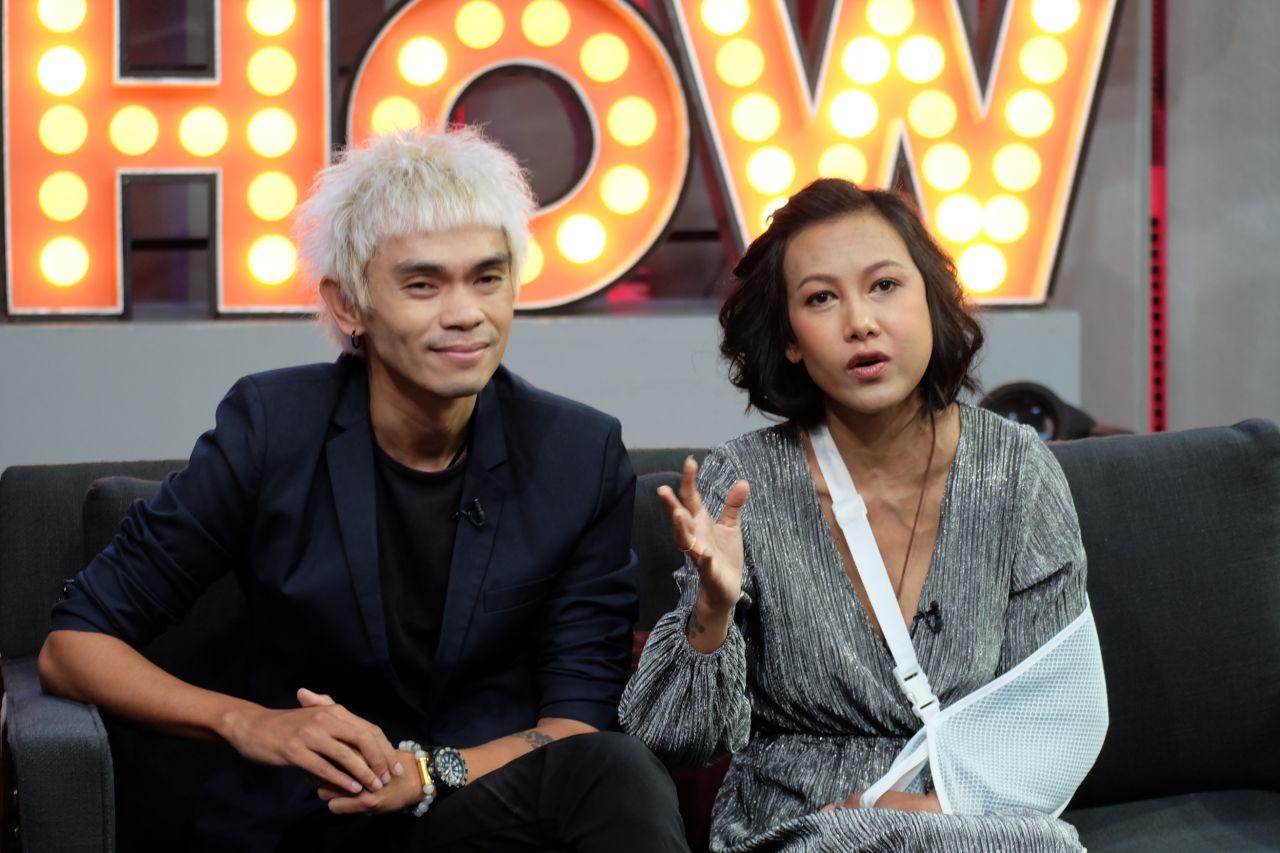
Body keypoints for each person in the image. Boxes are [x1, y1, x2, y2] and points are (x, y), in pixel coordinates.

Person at [38, 127, 689, 853]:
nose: (466, 313)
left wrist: (429, 773)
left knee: (617, 771)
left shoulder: (577, 453)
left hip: (481, 809)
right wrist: (247, 721)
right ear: (349, 305)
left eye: (487, 278)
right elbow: (73, 646)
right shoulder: (272, 429)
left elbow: (578, 721)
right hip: (308, 817)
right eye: (423, 284)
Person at [620, 178, 1108, 851]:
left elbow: (1054, 716)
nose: (860, 322)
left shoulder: (1016, 471)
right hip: (799, 825)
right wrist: (712, 611)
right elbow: (673, 738)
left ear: (931, 302)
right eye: (821, 298)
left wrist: (932, 807)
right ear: (790, 339)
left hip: (968, 821)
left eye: (884, 285)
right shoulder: (745, 485)